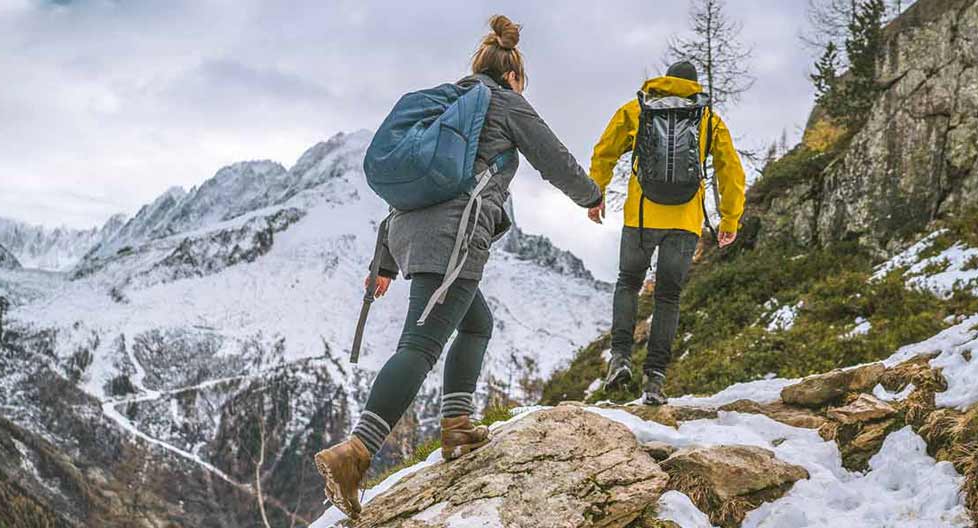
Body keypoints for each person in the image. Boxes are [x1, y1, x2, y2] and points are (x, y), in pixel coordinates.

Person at [313, 15, 603, 518]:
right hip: (455, 238)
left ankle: (457, 427)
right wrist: (592, 196)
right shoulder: (505, 102)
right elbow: (553, 158)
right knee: (420, 346)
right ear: (513, 76)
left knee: (477, 323)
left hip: (411, 234)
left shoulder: (444, 103)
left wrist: (383, 260)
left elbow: (412, 189)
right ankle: (355, 453)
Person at [587, 60, 746, 406]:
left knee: (628, 283)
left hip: (641, 216)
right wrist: (729, 219)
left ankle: (620, 359)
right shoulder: (708, 117)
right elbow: (730, 169)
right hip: (685, 220)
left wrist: (596, 194)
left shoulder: (638, 109)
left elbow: (605, 151)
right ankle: (655, 379)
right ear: (693, 85)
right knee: (668, 297)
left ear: (666, 80)